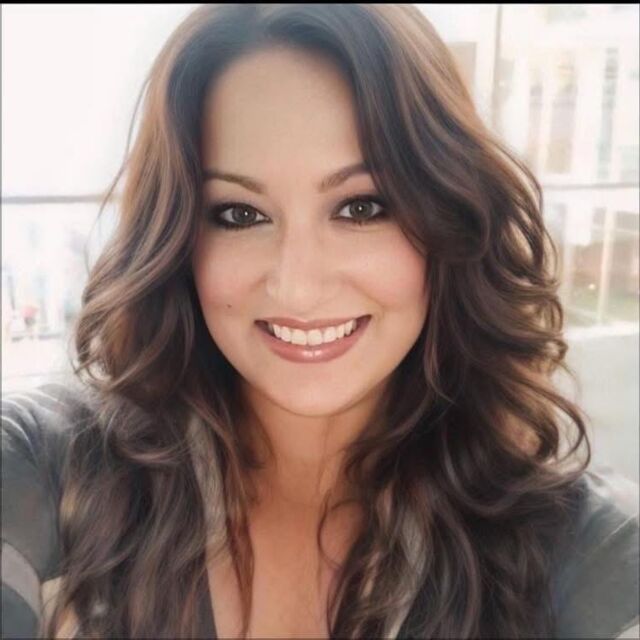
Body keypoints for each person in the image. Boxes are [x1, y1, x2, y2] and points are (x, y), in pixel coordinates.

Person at [2, 5, 638, 639]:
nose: (297, 287)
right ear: (176, 239)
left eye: (362, 207)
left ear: (450, 216)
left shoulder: (583, 556)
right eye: (240, 214)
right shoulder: (48, 475)